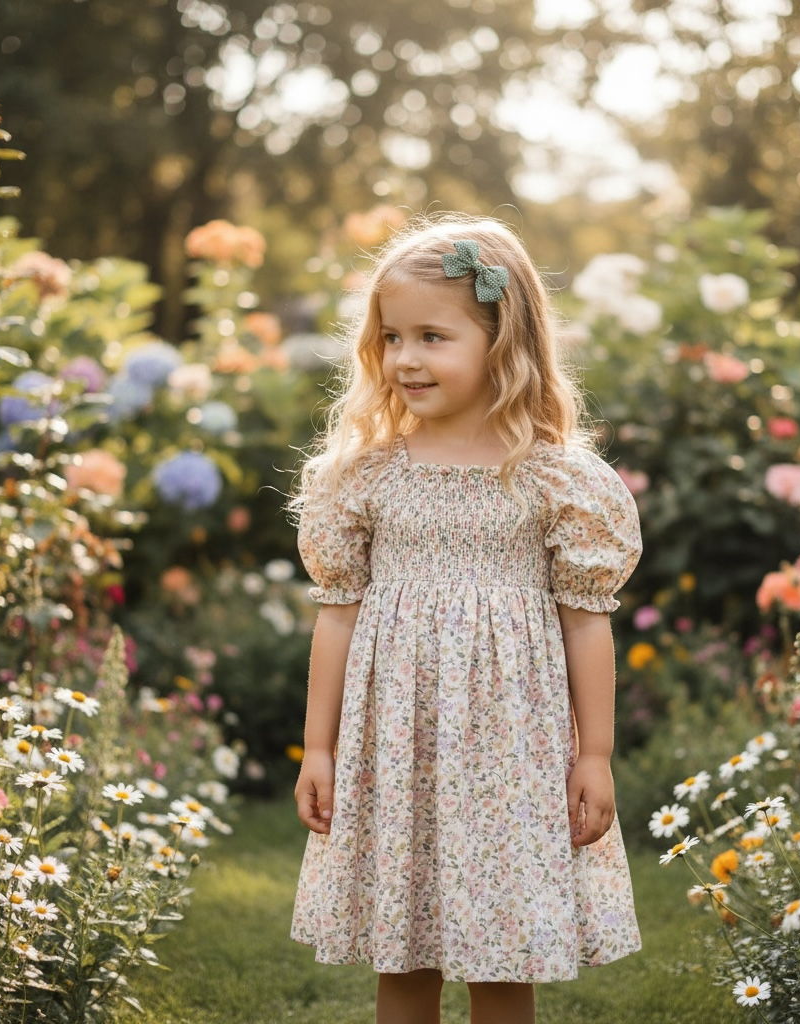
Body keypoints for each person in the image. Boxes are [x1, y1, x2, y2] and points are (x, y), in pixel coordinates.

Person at [290, 213, 642, 1024]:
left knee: (499, 952)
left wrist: (595, 755)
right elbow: (337, 616)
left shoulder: (554, 481)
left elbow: (587, 620)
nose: (405, 358)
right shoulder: (366, 477)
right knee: (404, 950)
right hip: (395, 746)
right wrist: (320, 746)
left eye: (432, 337)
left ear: (503, 341)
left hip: (508, 752)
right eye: (391, 337)